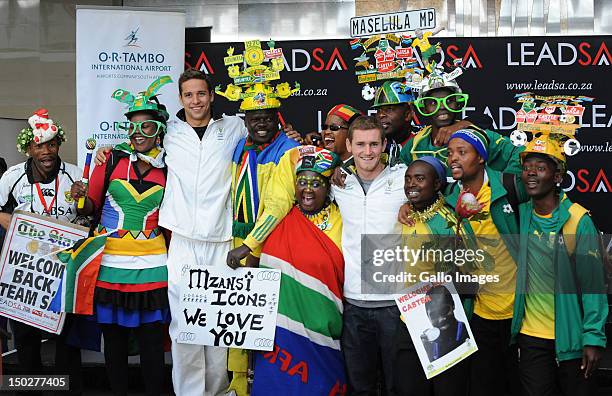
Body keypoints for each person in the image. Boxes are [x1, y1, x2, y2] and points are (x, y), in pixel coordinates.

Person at [71, 77, 172, 396]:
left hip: (153, 266)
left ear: (159, 130)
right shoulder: (111, 159)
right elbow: (89, 208)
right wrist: (80, 196)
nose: (139, 134)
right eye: (134, 127)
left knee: (152, 344)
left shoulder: (170, 167)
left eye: (147, 127)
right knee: (113, 343)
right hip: (110, 264)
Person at [510, 134, 607, 396]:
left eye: (540, 168)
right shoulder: (520, 214)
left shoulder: (577, 220)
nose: (531, 173)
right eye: (527, 167)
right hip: (531, 337)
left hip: (572, 337)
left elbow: (593, 286)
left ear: (557, 177)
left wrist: (593, 337)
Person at [223, 80, 300, 395]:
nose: (262, 123)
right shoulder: (241, 147)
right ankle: (238, 383)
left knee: (267, 318)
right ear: (244, 120)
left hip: (269, 243)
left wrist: (249, 245)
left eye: (267, 116)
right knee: (238, 315)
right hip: (236, 239)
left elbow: (279, 206)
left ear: (277, 116)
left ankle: (267, 383)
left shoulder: (288, 150)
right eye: (255, 118)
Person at [251, 148, 346, 395]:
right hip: (281, 326)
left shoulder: (344, 217)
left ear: (329, 186)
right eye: (302, 182)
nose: (307, 189)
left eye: (316, 183)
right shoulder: (281, 220)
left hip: (326, 323)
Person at [0, 109, 82, 394]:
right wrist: (12, 223)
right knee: (26, 339)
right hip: (25, 270)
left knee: (67, 339)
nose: (46, 152)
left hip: (64, 268)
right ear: (28, 149)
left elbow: (91, 214)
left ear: (59, 144)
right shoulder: (12, 177)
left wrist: (85, 204)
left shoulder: (76, 175)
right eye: (39, 145)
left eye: (51, 144)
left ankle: (65, 390)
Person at [444, 128, 528, 396]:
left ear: (481, 157)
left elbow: (536, 168)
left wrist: (481, 132)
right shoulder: (446, 197)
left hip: (521, 314)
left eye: (462, 152)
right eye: (449, 153)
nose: (453, 158)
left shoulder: (509, 187)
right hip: (477, 314)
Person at [330, 115, 407, 395]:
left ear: (384, 144)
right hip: (352, 304)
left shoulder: (403, 180)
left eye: (374, 144)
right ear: (348, 145)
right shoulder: (337, 183)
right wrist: (332, 166)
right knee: (359, 386)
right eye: (360, 144)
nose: (368, 151)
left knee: (396, 385)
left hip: (395, 304)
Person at [394, 156, 475, 396]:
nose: (412, 184)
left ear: (437, 184)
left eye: (420, 179)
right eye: (408, 179)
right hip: (408, 322)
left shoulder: (450, 222)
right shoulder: (404, 215)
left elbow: (473, 281)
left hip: (448, 325)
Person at [399, 78, 523, 175]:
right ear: (424, 108)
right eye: (433, 102)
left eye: (449, 101)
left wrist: (509, 184)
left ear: (458, 103)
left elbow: (519, 151)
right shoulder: (415, 144)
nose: (442, 107)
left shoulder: (475, 134)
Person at [421, 285, 470, 363]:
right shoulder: (428, 346)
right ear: (428, 317)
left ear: (453, 305)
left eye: (445, 310)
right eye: (434, 315)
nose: (441, 319)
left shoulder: (468, 331)